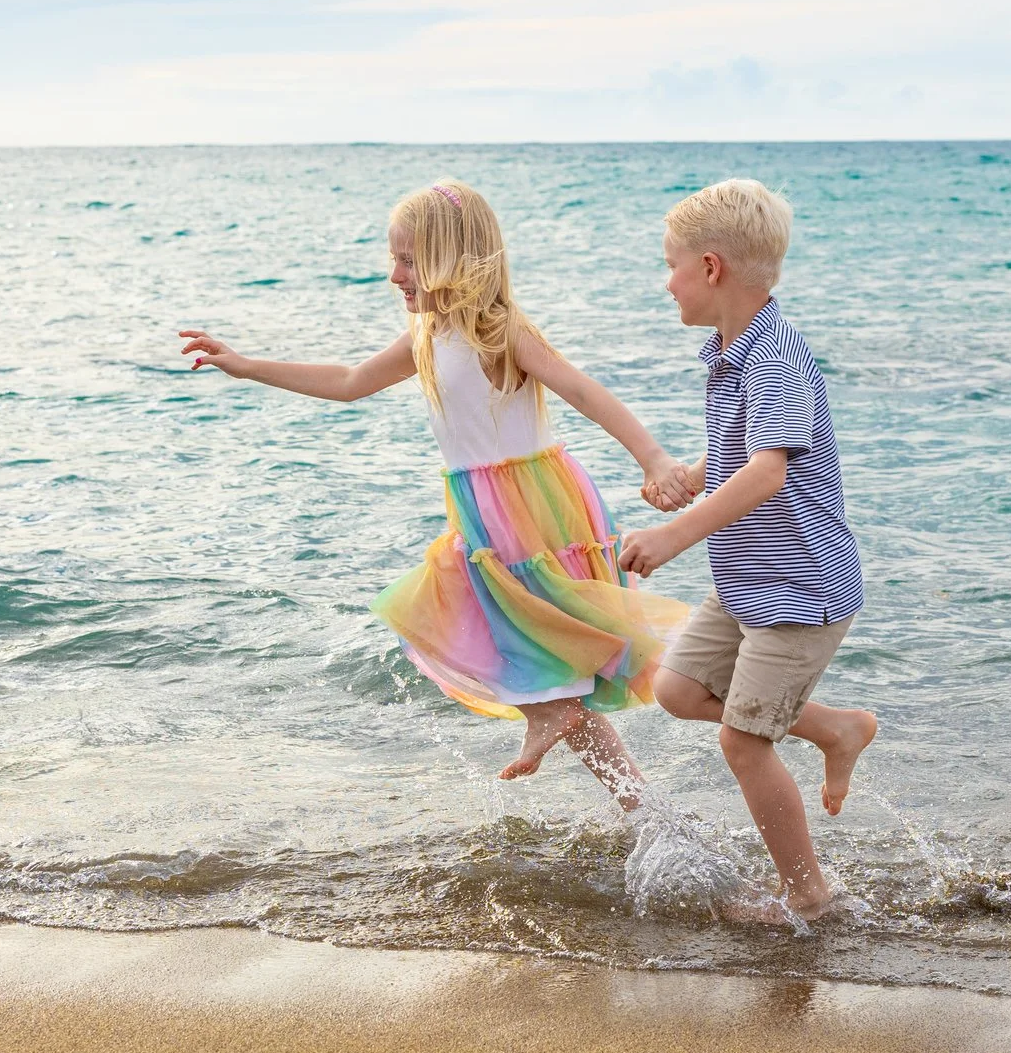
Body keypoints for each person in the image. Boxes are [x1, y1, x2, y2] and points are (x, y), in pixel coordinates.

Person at [179, 180, 692, 809]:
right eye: (394, 258)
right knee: (541, 665)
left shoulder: (495, 328)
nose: (395, 274)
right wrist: (249, 364)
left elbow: (582, 391)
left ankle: (677, 713)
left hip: (529, 501)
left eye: (408, 260)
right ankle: (647, 815)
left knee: (531, 646)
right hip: (483, 506)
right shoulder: (427, 334)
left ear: (454, 257)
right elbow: (348, 381)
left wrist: (653, 457)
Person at [620, 179, 878, 918]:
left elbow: (769, 469)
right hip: (748, 582)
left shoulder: (773, 357)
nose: (664, 282)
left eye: (670, 265)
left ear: (710, 268)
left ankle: (809, 895)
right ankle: (835, 727)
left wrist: (675, 531)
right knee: (676, 688)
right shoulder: (732, 353)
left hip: (800, 591)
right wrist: (690, 475)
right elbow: (741, 450)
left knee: (742, 741)